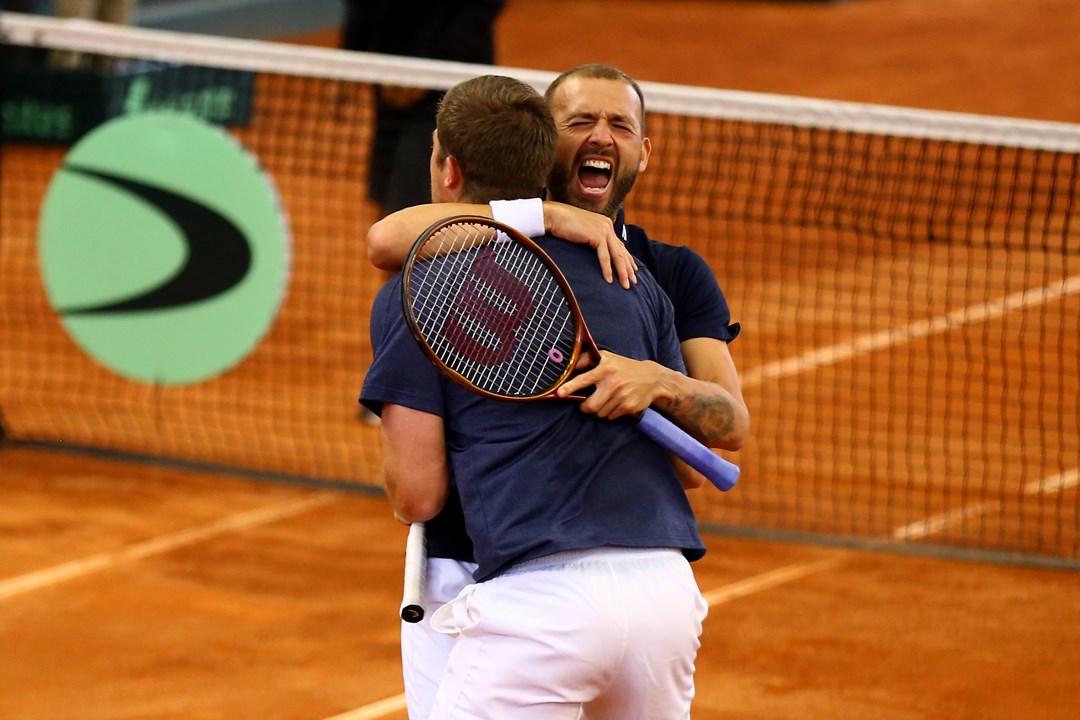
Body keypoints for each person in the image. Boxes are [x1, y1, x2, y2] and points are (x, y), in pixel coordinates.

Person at [365, 63, 749, 718]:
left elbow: (717, 434)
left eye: (620, 124)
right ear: (548, 145)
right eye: (580, 122)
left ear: (643, 152)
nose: (601, 136)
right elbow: (389, 237)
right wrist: (542, 216)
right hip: (594, 573)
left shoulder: (662, 273)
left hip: (529, 586)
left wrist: (657, 381)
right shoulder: (619, 282)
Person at [340, 0, 507, 217]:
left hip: (455, 84)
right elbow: (361, 8)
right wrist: (348, 60)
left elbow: (483, 7)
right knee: (386, 192)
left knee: (429, 196)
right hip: (391, 80)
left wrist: (431, 66)